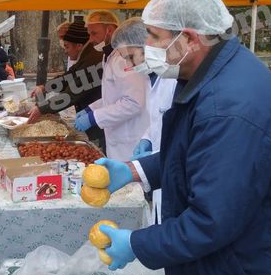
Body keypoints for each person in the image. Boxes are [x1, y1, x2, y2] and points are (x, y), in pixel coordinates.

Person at [94, 0, 271, 275]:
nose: (147, 44)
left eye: (155, 36)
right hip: (243, 261)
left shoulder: (230, 107)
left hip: (264, 271)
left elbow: (211, 221)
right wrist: (135, 171)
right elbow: (200, 154)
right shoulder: (211, 74)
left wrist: (135, 244)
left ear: (189, 40)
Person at [111, 18, 177, 223]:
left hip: (172, 171)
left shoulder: (173, 79)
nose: (130, 65)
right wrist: (147, 138)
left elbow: (176, 126)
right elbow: (157, 118)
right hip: (160, 170)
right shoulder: (154, 78)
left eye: (131, 57)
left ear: (146, 45)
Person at [75, 13, 148, 161]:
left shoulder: (126, 58)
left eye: (94, 33)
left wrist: (94, 118)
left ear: (109, 30)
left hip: (130, 140)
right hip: (117, 138)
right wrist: (92, 108)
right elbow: (114, 95)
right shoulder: (110, 56)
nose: (91, 39)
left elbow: (133, 102)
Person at [28, 20, 105, 151]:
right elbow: (67, 78)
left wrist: (42, 108)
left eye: (67, 46)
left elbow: (70, 95)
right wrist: (45, 87)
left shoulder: (91, 62)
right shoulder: (87, 57)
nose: (65, 51)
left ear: (79, 45)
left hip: (99, 122)